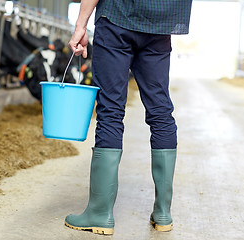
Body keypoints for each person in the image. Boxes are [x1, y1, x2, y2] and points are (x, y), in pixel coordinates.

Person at [64, 0, 193, 235]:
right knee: (161, 112)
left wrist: (80, 25)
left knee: (110, 111)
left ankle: (100, 214)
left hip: (117, 18)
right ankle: (163, 213)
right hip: (159, 25)